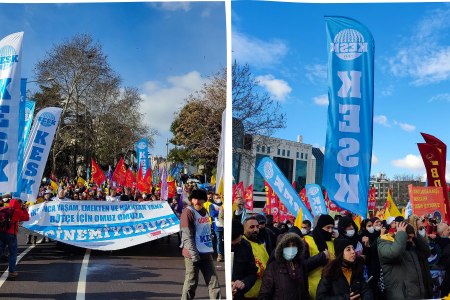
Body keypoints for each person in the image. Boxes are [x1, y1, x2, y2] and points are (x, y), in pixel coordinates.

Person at [180, 189, 221, 300]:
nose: (197, 201)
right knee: (191, 283)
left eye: (199, 199)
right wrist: (195, 256)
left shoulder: (205, 211)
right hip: (192, 255)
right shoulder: (188, 212)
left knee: (214, 283)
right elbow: (187, 237)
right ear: (191, 200)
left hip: (206, 254)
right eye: (194, 199)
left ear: (204, 200)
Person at [377, 222, 431, 300]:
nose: (410, 240)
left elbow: (425, 253)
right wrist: (401, 234)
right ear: (397, 234)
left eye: (412, 238)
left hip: (416, 296)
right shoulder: (384, 244)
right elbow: (394, 254)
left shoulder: (411, 249)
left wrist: (417, 237)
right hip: (400, 296)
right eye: (408, 237)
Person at [258, 233, 310, 300]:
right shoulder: (272, 268)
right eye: (287, 245)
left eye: (293, 245)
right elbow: (264, 295)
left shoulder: (301, 264)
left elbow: (305, 290)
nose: (291, 248)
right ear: (281, 248)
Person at [302, 214, 336, 300]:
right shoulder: (306, 241)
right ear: (320, 227)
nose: (330, 231)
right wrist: (321, 257)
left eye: (332, 227)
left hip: (332, 289)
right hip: (313, 289)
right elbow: (301, 265)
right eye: (327, 227)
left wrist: (340, 237)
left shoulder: (333, 241)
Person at [0, 199, 30, 278]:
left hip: (1, 233)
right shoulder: (17, 211)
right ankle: (11, 272)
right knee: (13, 253)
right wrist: (24, 209)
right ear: (19, 204)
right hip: (11, 235)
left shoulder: (4, 209)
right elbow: (27, 218)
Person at [407, 214, 433, 299]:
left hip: (426, 287)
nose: (422, 230)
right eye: (420, 228)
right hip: (418, 291)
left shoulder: (422, 245)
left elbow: (426, 252)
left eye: (422, 228)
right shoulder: (410, 248)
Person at [243, 216, 269, 299]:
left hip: (259, 293)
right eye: (251, 227)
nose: (255, 230)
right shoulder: (240, 244)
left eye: (257, 227)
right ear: (243, 230)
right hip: (244, 293)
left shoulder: (260, 245)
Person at [231, 219, 258, 300]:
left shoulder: (246, 246)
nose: (234, 247)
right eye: (231, 244)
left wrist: (243, 283)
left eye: (238, 243)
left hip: (238, 295)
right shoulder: (218, 248)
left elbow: (252, 273)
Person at [209, 194, 224, 262]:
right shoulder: (212, 205)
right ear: (214, 199)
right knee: (219, 241)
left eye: (219, 197)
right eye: (217, 198)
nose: (218, 199)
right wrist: (221, 211)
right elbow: (213, 214)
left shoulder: (223, 205)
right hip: (217, 226)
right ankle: (219, 254)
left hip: (224, 224)